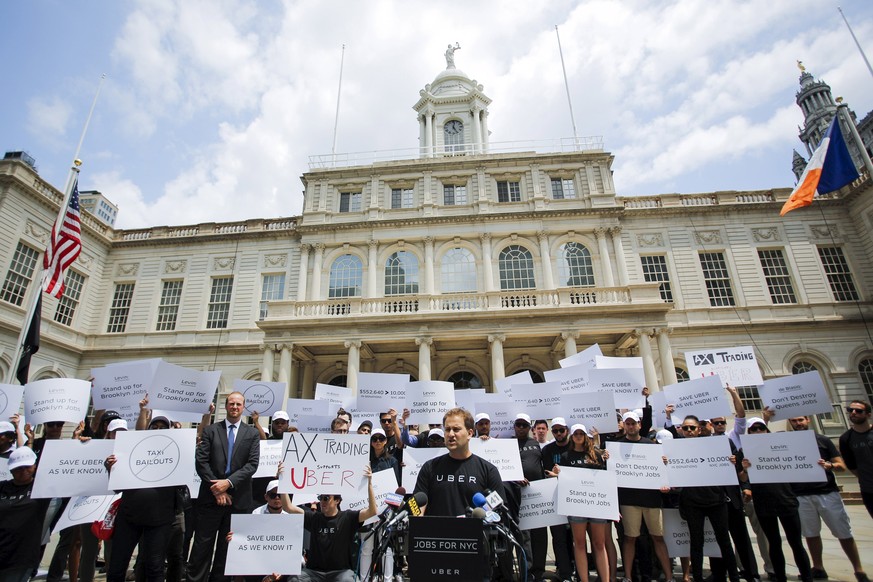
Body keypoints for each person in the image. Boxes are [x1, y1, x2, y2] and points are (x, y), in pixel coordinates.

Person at [187, 391, 260, 582]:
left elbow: (252, 465)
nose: (235, 407)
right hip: (210, 500)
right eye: (231, 404)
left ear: (243, 407)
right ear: (226, 405)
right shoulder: (211, 430)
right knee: (202, 547)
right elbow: (201, 461)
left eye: (238, 404)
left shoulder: (251, 434)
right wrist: (216, 488)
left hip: (238, 501)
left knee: (226, 550)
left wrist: (227, 483)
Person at [787, 414, 869, 581]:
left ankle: (858, 569)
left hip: (827, 493)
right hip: (801, 495)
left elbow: (841, 466)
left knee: (843, 532)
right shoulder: (787, 443)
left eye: (800, 420)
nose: (798, 423)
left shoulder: (822, 440)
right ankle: (818, 566)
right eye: (794, 420)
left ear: (807, 420)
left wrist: (829, 465)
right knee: (810, 533)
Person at [104, 416, 181, 582]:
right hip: (130, 516)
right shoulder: (132, 449)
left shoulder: (176, 451)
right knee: (117, 566)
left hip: (159, 518)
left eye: (163, 427)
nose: (158, 430)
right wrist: (112, 469)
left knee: (154, 568)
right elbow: (118, 487)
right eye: (155, 426)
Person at [740, 418, 812, 582]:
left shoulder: (781, 446)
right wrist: (744, 468)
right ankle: (780, 576)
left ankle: (807, 576)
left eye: (761, 428)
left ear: (767, 430)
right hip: (764, 502)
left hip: (786, 499)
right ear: (749, 432)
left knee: (795, 542)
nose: (758, 432)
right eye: (754, 429)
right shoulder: (745, 451)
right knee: (774, 542)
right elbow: (742, 477)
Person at [671, 415, 740, 582]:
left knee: (724, 541)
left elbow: (734, 465)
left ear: (699, 429)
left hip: (716, 499)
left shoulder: (713, 444)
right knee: (696, 542)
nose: (688, 431)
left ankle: (734, 576)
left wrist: (733, 461)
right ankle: (699, 578)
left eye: (692, 428)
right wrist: (668, 464)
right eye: (685, 428)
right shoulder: (675, 448)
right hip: (693, 502)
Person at [280, 466, 377, 582]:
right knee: (294, 580)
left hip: (340, 572)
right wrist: (282, 480)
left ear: (337, 500)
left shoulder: (348, 517)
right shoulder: (314, 517)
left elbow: (372, 511)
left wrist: (369, 484)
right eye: (320, 498)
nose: (322, 502)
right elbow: (288, 507)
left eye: (326, 498)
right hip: (314, 572)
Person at [614, 411, 674, 582]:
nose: (631, 426)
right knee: (630, 538)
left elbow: (662, 473)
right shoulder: (617, 446)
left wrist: (664, 475)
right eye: (628, 423)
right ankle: (627, 576)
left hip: (651, 500)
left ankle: (669, 576)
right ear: (624, 425)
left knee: (658, 537)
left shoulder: (652, 446)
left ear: (639, 425)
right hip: (629, 500)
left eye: (634, 423)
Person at [546, 424, 611, 582]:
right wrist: (557, 475)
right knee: (579, 543)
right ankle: (584, 579)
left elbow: (605, 479)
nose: (579, 436)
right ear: (572, 436)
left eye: (582, 433)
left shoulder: (596, 454)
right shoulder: (566, 456)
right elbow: (566, 480)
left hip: (596, 505)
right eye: (576, 434)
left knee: (599, 543)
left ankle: (606, 579)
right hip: (576, 506)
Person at [414, 407, 503, 517]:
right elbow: (417, 509)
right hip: (435, 533)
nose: (451, 434)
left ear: (470, 433)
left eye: (456, 429)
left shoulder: (488, 470)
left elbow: (499, 513)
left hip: (473, 533)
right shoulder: (429, 467)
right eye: (447, 429)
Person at [0, 447, 51, 582]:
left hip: (21, 558)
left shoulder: (42, 488)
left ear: (35, 466)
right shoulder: (2, 487)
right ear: (11, 469)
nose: (23, 471)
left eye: (27, 466)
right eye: (18, 468)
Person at [541, 417, 574, 582]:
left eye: (562, 430)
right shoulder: (547, 450)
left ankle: (574, 567)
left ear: (567, 430)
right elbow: (546, 472)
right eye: (556, 431)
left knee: (575, 537)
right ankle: (565, 571)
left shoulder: (575, 446)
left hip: (574, 498)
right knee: (559, 537)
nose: (559, 433)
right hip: (555, 497)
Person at [515, 413, 547, 581]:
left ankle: (539, 571)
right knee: (524, 535)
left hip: (538, 494)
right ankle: (526, 572)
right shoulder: (509, 444)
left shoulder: (537, 444)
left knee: (540, 534)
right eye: (518, 425)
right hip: (518, 495)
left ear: (530, 428)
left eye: (524, 425)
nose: (521, 428)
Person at [839, 399, 873, 518]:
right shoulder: (845, 439)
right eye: (850, 410)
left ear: (868, 415)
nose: (853, 412)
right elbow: (851, 465)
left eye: (858, 411)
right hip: (868, 489)